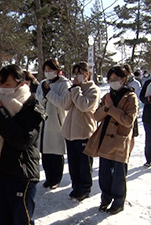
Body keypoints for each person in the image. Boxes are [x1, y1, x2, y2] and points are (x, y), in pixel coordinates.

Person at [0, 64, 46, 225]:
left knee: (21, 220)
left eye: (7, 85)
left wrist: (0, 114)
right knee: (4, 219)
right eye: (0, 84)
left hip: (22, 173)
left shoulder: (32, 107)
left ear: (21, 84)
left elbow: (23, 140)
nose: (2, 88)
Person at [83, 65, 138, 215]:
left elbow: (128, 120)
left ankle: (118, 202)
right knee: (105, 175)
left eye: (116, 79)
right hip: (105, 140)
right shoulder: (108, 96)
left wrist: (112, 109)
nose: (113, 82)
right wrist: (106, 108)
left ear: (124, 80)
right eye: (111, 79)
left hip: (120, 140)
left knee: (119, 176)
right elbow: (96, 116)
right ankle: (105, 198)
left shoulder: (130, 97)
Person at [46, 61, 100, 201]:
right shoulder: (74, 88)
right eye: (75, 73)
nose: (77, 76)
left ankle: (85, 188)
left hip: (83, 132)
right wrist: (72, 90)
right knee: (74, 164)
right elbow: (65, 105)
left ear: (87, 74)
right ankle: (76, 187)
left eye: (80, 73)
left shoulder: (92, 89)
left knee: (84, 164)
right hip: (70, 132)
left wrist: (76, 90)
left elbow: (84, 106)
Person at [36, 59, 69, 189]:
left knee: (56, 151)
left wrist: (49, 93)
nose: (48, 73)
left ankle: (56, 178)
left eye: (51, 70)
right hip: (44, 121)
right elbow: (38, 100)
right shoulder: (42, 83)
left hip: (56, 120)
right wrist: (44, 96)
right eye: (46, 70)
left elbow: (62, 103)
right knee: (45, 152)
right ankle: (49, 178)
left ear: (57, 70)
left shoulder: (64, 84)